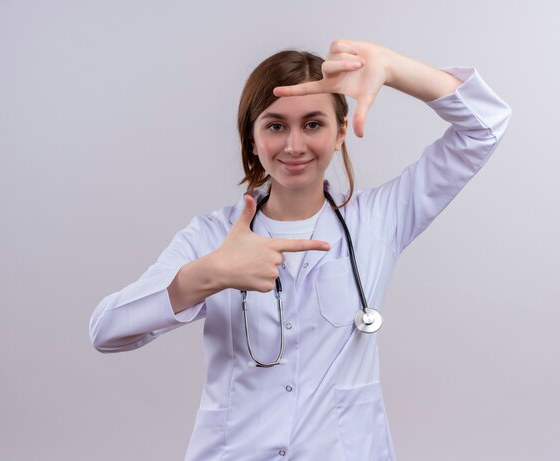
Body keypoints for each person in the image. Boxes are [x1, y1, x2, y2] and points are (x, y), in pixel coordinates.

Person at [89, 39, 511, 460]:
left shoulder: (380, 219)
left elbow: (486, 125)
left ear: (341, 131)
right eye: (274, 126)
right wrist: (209, 274)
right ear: (252, 139)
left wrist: (394, 68)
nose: (293, 145)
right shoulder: (210, 237)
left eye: (313, 124)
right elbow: (106, 332)